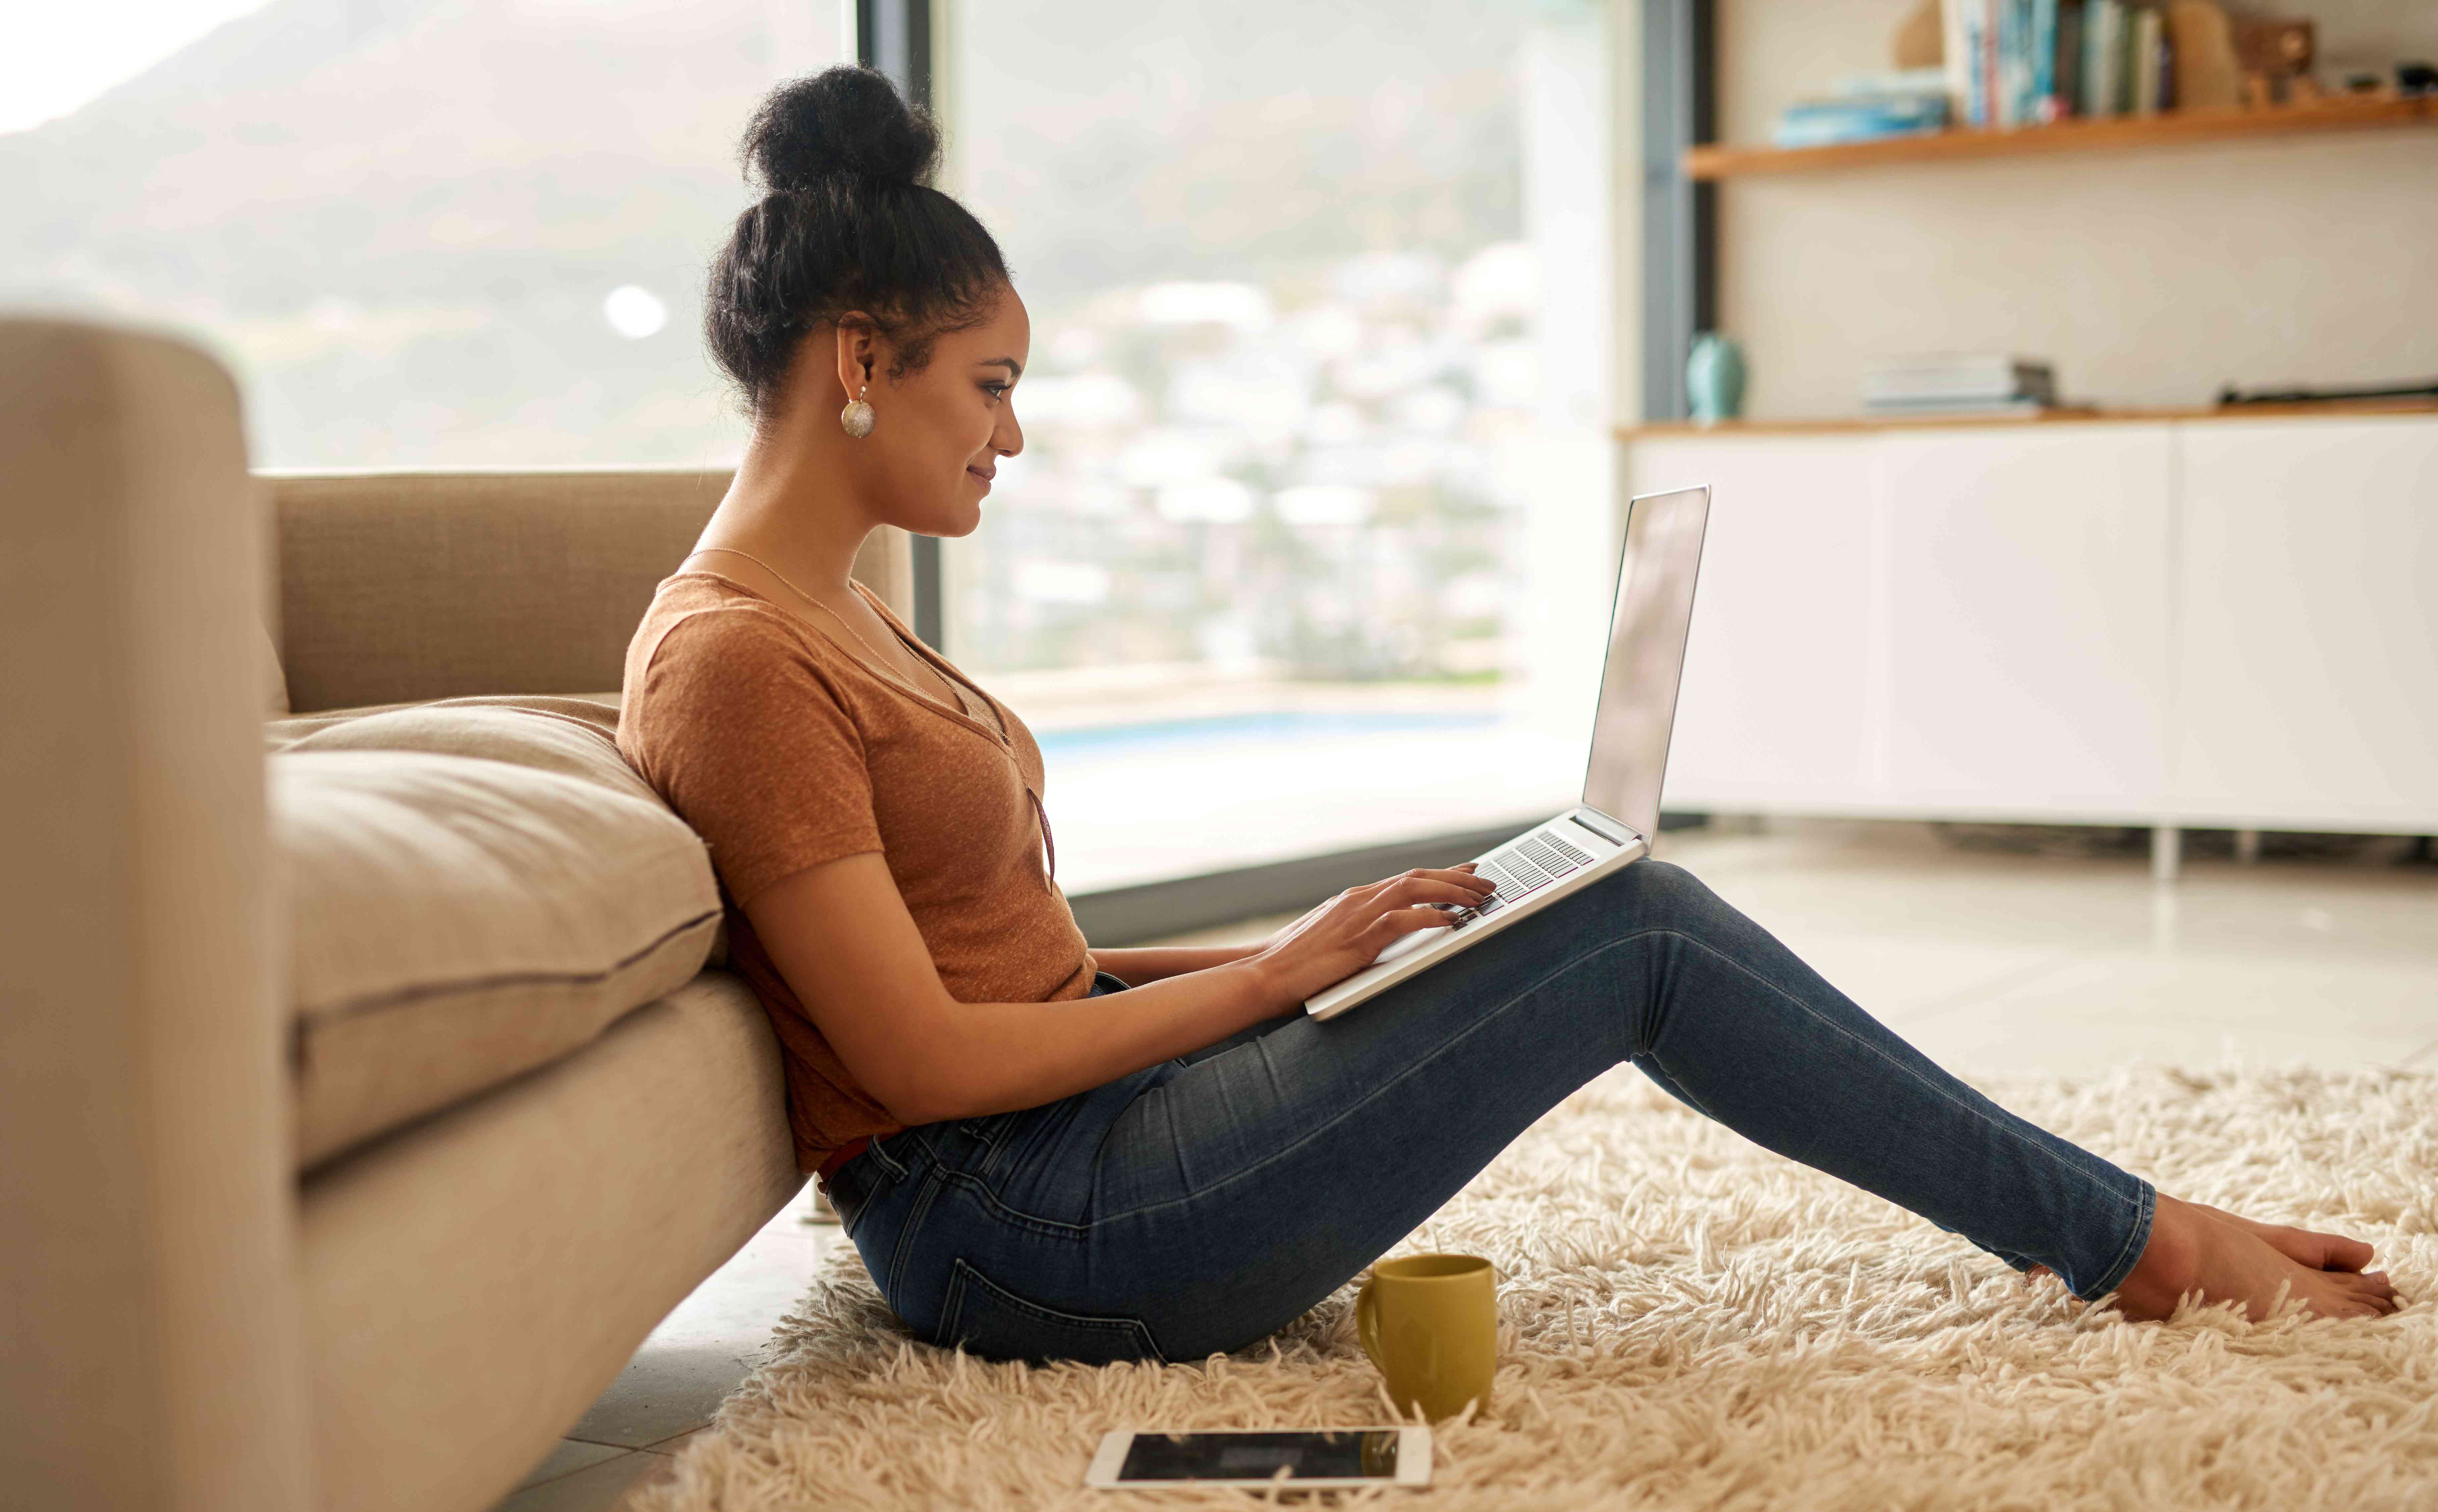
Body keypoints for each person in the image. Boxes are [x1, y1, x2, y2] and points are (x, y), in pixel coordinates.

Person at [616, 67, 2395, 1365]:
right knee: (1628, 929)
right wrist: (1263, 986)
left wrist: (1332, 948)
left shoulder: (841, 617)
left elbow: (1026, 980)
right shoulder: (738, 660)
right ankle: (2138, 1245)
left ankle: (2124, 1227)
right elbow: (923, 1066)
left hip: (1085, 1151)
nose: (1012, 433)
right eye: (990, 385)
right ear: (862, 361)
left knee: (1571, 906)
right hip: (1026, 1236)